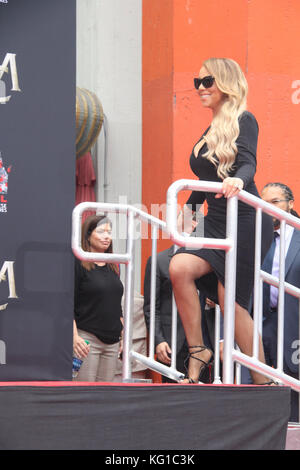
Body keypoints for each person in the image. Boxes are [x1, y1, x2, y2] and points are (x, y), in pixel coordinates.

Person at [169, 57, 273, 384]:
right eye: (197, 81)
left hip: (243, 219)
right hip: (215, 219)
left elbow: (248, 163)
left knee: (233, 303)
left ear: (225, 83)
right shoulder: (211, 127)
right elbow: (205, 178)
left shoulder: (244, 119)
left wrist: (240, 181)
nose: (200, 88)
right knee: (179, 267)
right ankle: (199, 350)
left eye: (207, 81)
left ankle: (263, 380)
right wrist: (187, 212)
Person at [261, 182, 300, 421]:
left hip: (295, 323)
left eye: (274, 203)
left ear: (291, 204)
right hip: (263, 324)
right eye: (264, 204)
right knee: (261, 386)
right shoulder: (255, 237)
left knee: (293, 388)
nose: (268, 209)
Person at [73, 214, 124, 382]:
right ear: (88, 235)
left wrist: (122, 335)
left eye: (109, 232)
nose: (107, 236)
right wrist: (74, 337)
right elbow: (68, 304)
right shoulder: (78, 263)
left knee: (105, 396)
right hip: (86, 340)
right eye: (101, 231)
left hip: (112, 342)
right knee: (84, 395)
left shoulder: (114, 265)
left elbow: (116, 304)